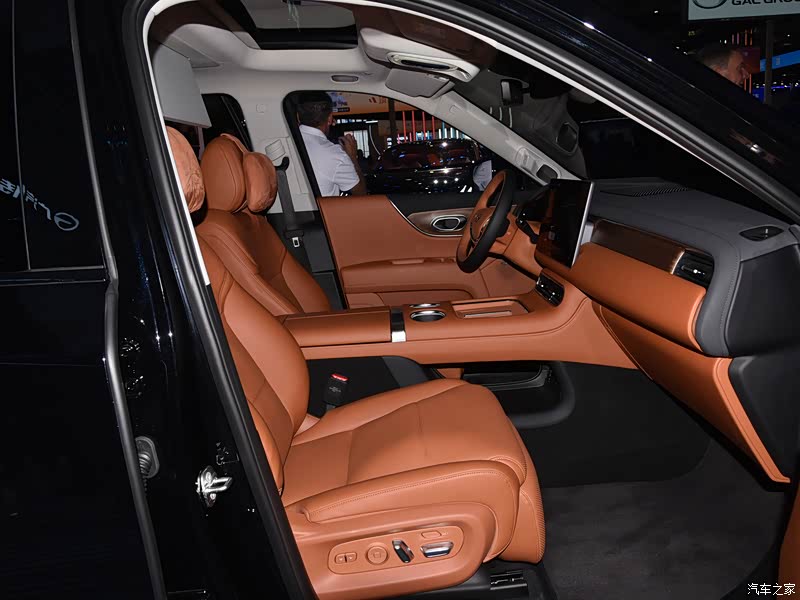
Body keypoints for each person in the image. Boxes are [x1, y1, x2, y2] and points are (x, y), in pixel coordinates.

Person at [297, 92, 366, 196]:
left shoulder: (284, 143)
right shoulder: (335, 154)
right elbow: (361, 194)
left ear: (298, 117)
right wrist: (352, 157)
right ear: (329, 119)